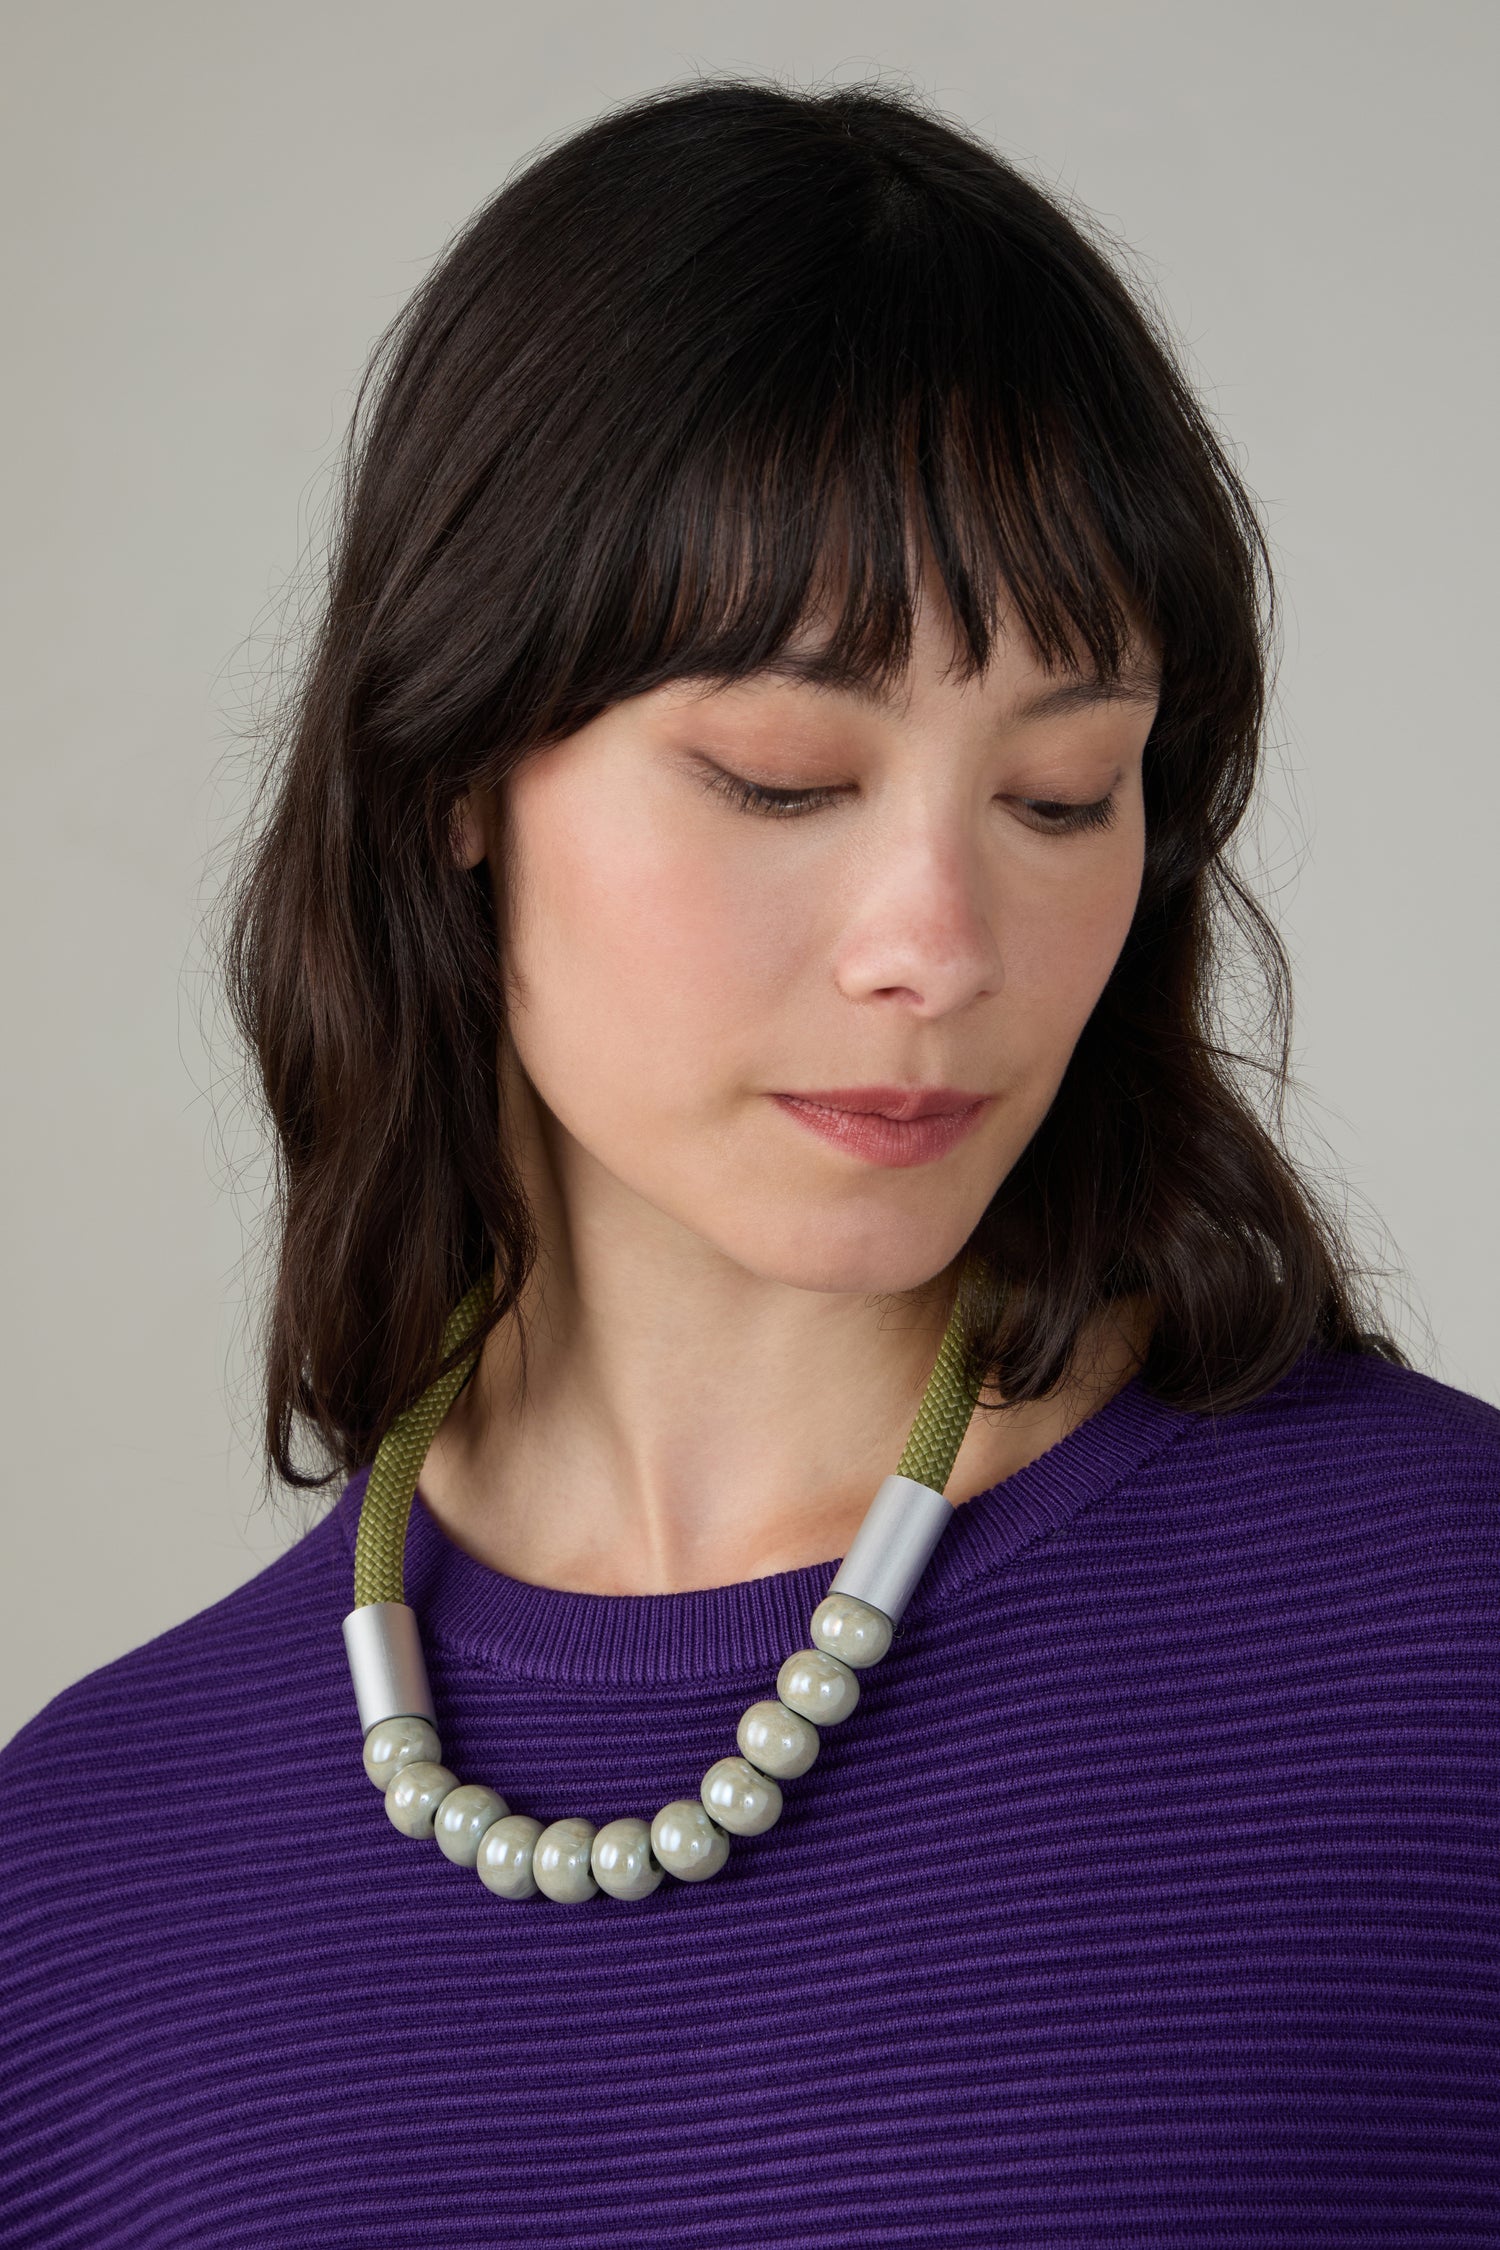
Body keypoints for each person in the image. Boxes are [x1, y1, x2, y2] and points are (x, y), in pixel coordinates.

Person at [3, 74, 1497, 2248]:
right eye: (786, 779)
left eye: (1063, 796)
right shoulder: (76, 1880)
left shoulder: (1446, 1654)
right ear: (455, 772)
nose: (939, 946)